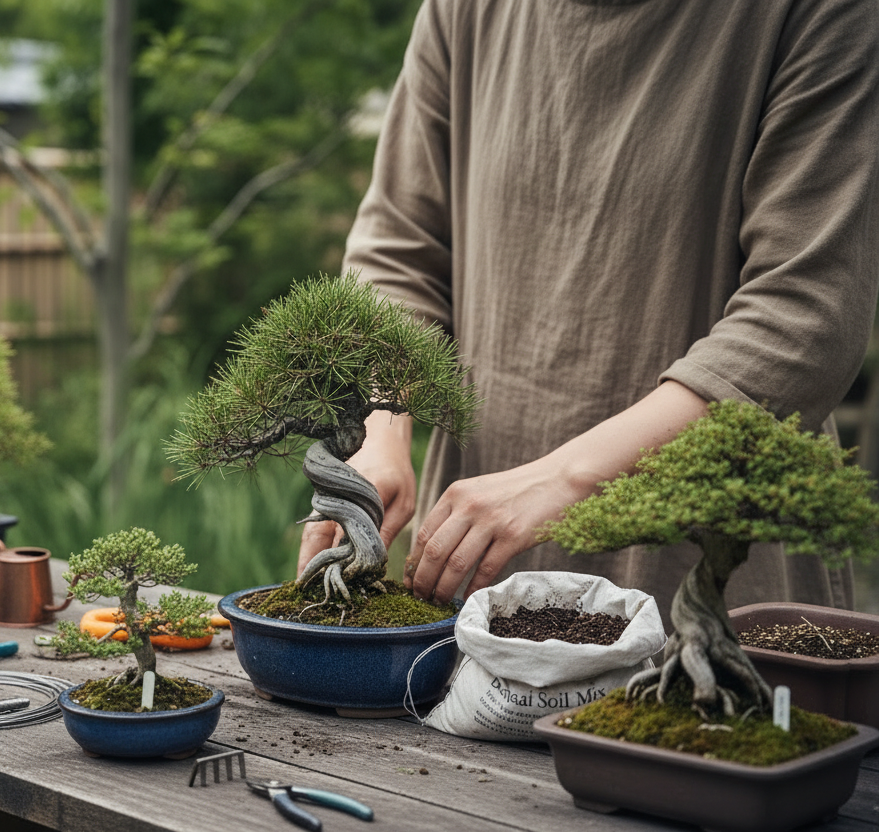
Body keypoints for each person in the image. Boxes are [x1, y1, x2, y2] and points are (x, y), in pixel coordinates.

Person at [299, 0, 879, 629]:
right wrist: (383, 429)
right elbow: (396, 249)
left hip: (714, 590)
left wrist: (561, 481)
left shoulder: (819, 14)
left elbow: (803, 317)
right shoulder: (462, 11)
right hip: (476, 587)